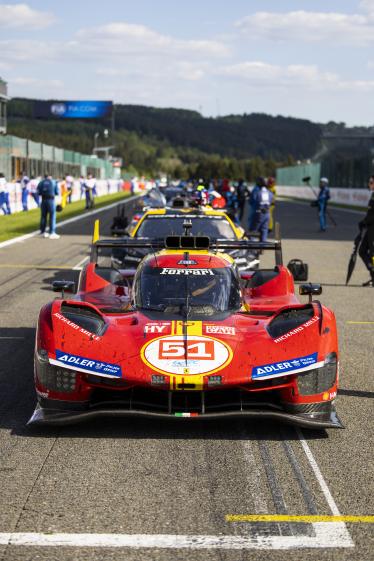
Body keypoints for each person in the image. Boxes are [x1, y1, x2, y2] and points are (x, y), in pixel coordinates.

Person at [358, 175, 374, 286]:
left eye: (371, 182)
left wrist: (365, 221)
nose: (369, 183)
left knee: (372, 254)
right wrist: (364, 221)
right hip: (370, 227)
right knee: (362, 250)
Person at [37, 174, 60, 239]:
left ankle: (42, 231)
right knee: (52, 216)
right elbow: (57, 192)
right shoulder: (53, 182)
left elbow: (38, 192)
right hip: (51, 200)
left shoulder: (41, 182)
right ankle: (52, 232)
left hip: (43, 200)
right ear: (50, 176)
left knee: (43, 216)